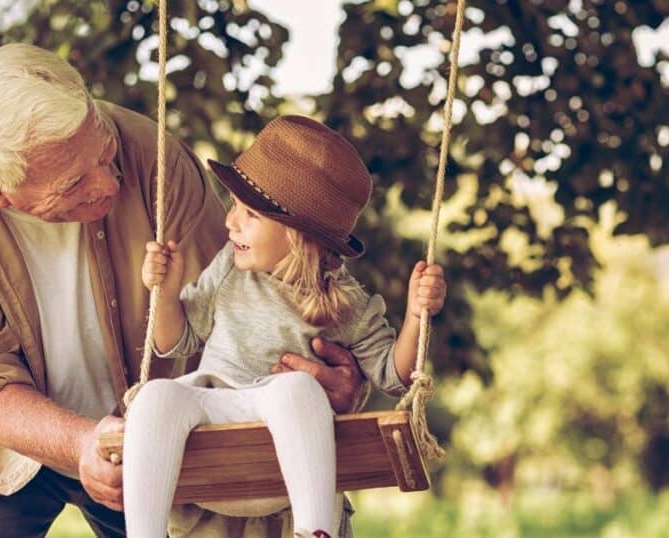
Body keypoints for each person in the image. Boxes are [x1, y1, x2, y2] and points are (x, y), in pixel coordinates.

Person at [0, 43, 368, 538]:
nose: (109, 183)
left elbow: (242, 303)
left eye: (104, 152)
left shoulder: (152, 155)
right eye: (74, 182)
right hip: (3, 438)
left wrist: (320, 379)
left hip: (158, 424)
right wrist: (79, 443)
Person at [123, 116, 448, 537]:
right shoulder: (229, 268)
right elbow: (174, 341)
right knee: (154, 396)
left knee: (296, 388)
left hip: (286, 437)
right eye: (234, 207)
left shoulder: (345, 302)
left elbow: (395, 374)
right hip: (216, 410)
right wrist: (165, 293)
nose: (230, 223)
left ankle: (314, 532)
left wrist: (417, 315)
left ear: (298, 234)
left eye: (250, 214)